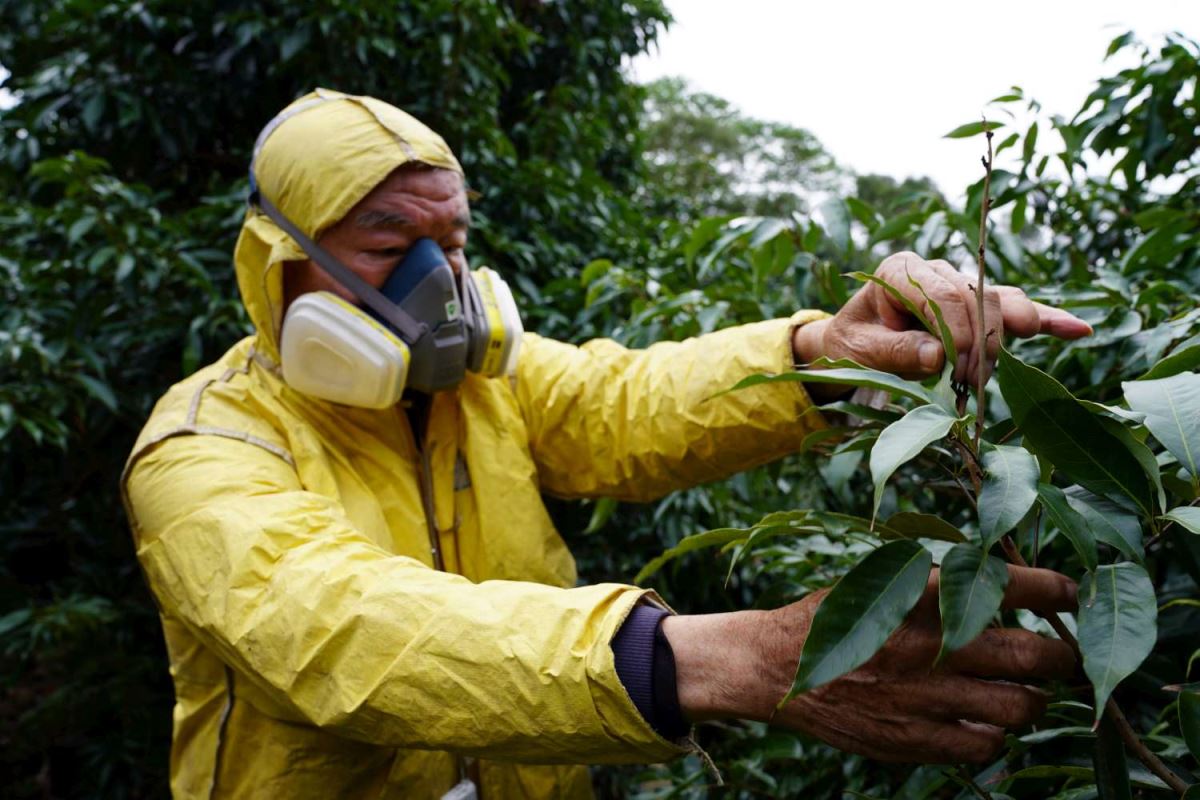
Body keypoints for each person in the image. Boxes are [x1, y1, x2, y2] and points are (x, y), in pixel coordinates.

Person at [122, 89, 1091, 799]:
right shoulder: (204, 446)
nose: (438, 284)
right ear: (282, 265)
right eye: (388, 247)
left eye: (452, 245)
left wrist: (820, 358)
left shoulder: (482, 386)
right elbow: (339, 627)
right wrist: (729, 659)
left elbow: (628, 403)